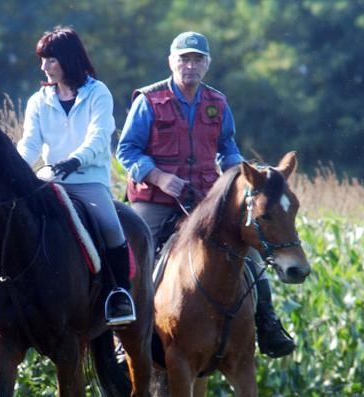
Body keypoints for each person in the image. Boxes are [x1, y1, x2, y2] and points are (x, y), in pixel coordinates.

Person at [116, 31, 295, 358]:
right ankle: (125, 336)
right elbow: (126, 149)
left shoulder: (217, 102)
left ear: (207, 64)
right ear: (171, 61)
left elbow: (227, 148)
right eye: (184, 58)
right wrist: (158, 176)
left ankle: (267, 323)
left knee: (249, 251)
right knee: (139, 254)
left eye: (197, 59)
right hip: (154, 199)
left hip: (203, 198)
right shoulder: (149, 100)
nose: (190, 65)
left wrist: (242, 174)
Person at [0, 26, 136, 327]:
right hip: (49, 179)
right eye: (42, 60)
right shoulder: (38, 100)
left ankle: (119, 293)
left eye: (50, 59)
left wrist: (74, 161)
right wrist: (13, 167)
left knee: (110, 225)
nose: (44, 66)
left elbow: (98, 136)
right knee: (7, 220)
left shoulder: (98, 93)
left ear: (69, 59)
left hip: (88, 180)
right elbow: (29, 143)